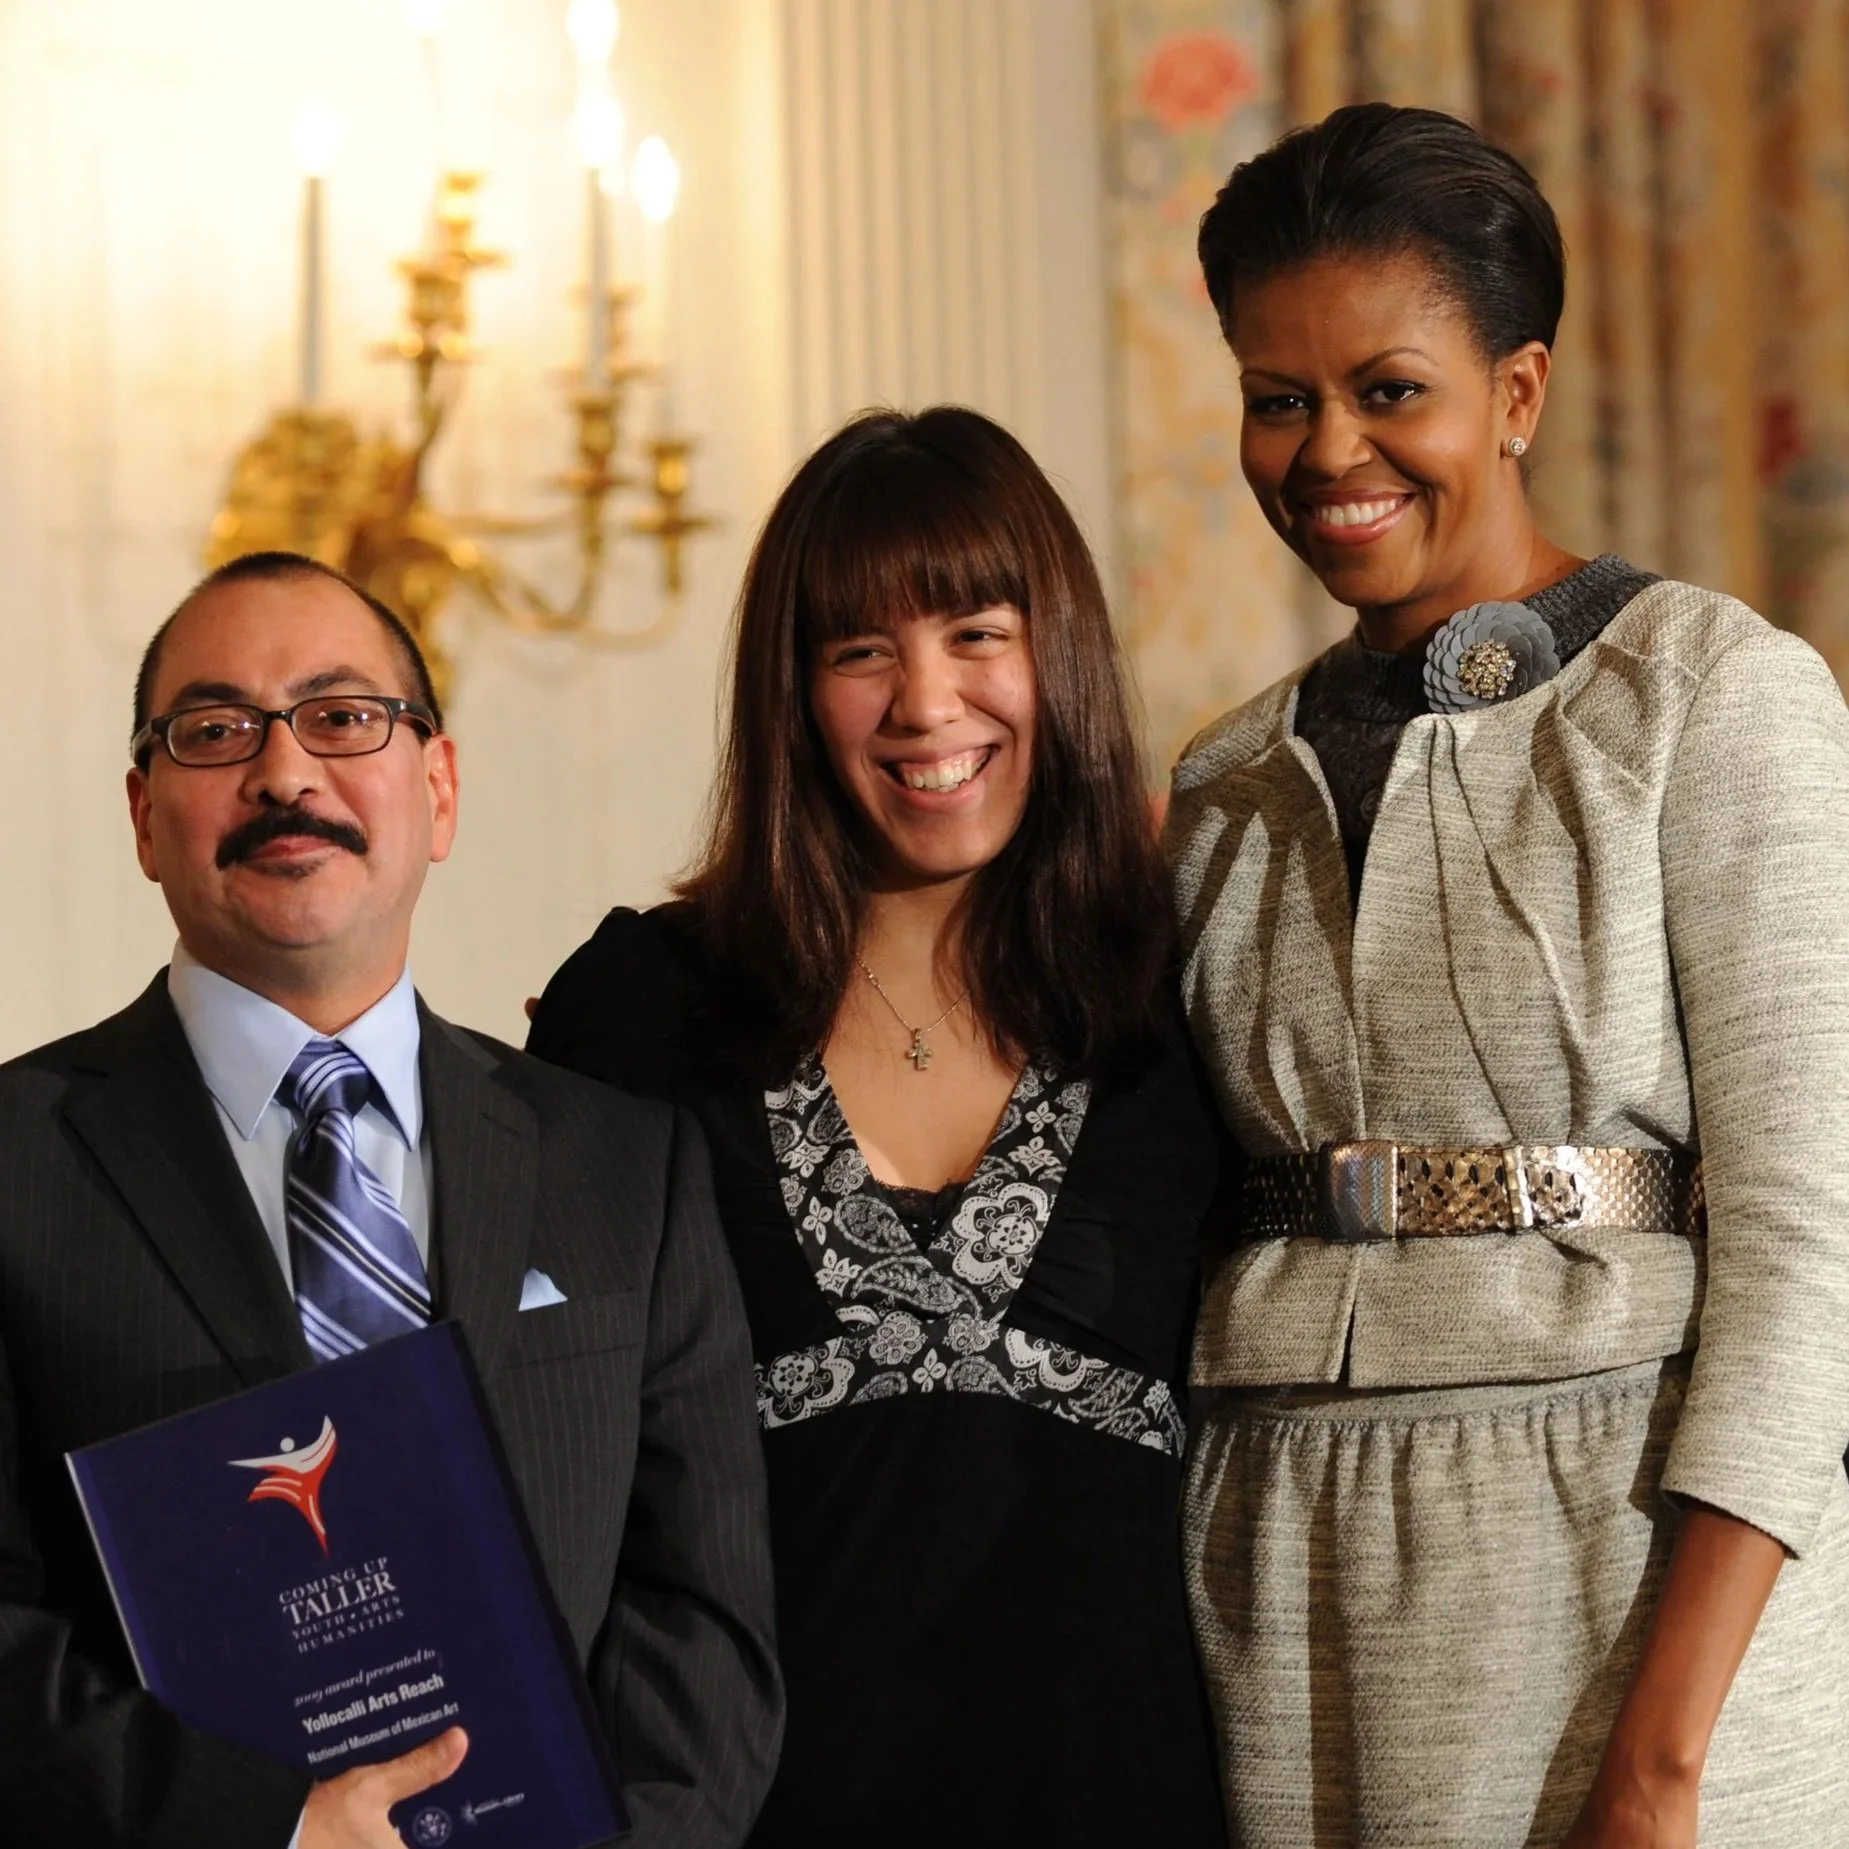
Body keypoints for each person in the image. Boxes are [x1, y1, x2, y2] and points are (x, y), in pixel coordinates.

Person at [1167, 102, 1849, 1847]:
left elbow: (1805, 1256)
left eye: (1391, 389)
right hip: (1288, 1582)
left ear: (1519, 394)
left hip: (1631, 1583)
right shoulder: (1221, 788)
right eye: (1278, 395)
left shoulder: (1711, 697)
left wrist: (1666, 1758)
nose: (1329, 452)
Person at [0, 552, 782, 1848]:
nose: (285, 773)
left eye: (344, 716)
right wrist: (273, 1832)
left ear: (440, 785)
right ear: (143, 814)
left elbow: (702, 1618)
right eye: (216, 730)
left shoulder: (626, 1169)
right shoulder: (18, 1165)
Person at [528, 407, 1227, 1849]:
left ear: (1060, 653)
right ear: (792, 698)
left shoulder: (1194, 989)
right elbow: (555, 1463)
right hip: (750, 1810)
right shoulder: (640, 1014)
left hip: (1131, 1792)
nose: (926, 704)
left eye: (978, 632)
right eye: (860, 654)